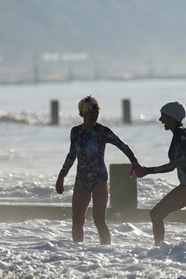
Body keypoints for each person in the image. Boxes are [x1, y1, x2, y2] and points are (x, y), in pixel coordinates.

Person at [56, 95, 144, 245]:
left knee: (99, 220)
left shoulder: (102, 131)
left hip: (99, 180)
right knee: (77, 221)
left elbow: (123, 146)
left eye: (96, 112)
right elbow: (71, 155)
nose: (94, 116)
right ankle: (77, 252)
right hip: (82, 180)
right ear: (82, 114)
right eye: (90, 112)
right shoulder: (76, 132)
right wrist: (61, 176)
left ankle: (106, 252)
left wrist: (135, 162)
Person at [139, 101, 186, 247]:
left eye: (163, 116)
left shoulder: (180, 135)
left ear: (172, 117)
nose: (160, 120)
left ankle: (158, 249)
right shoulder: (182, 132)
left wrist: (147, 170)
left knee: (156, 215)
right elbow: (182, 160)